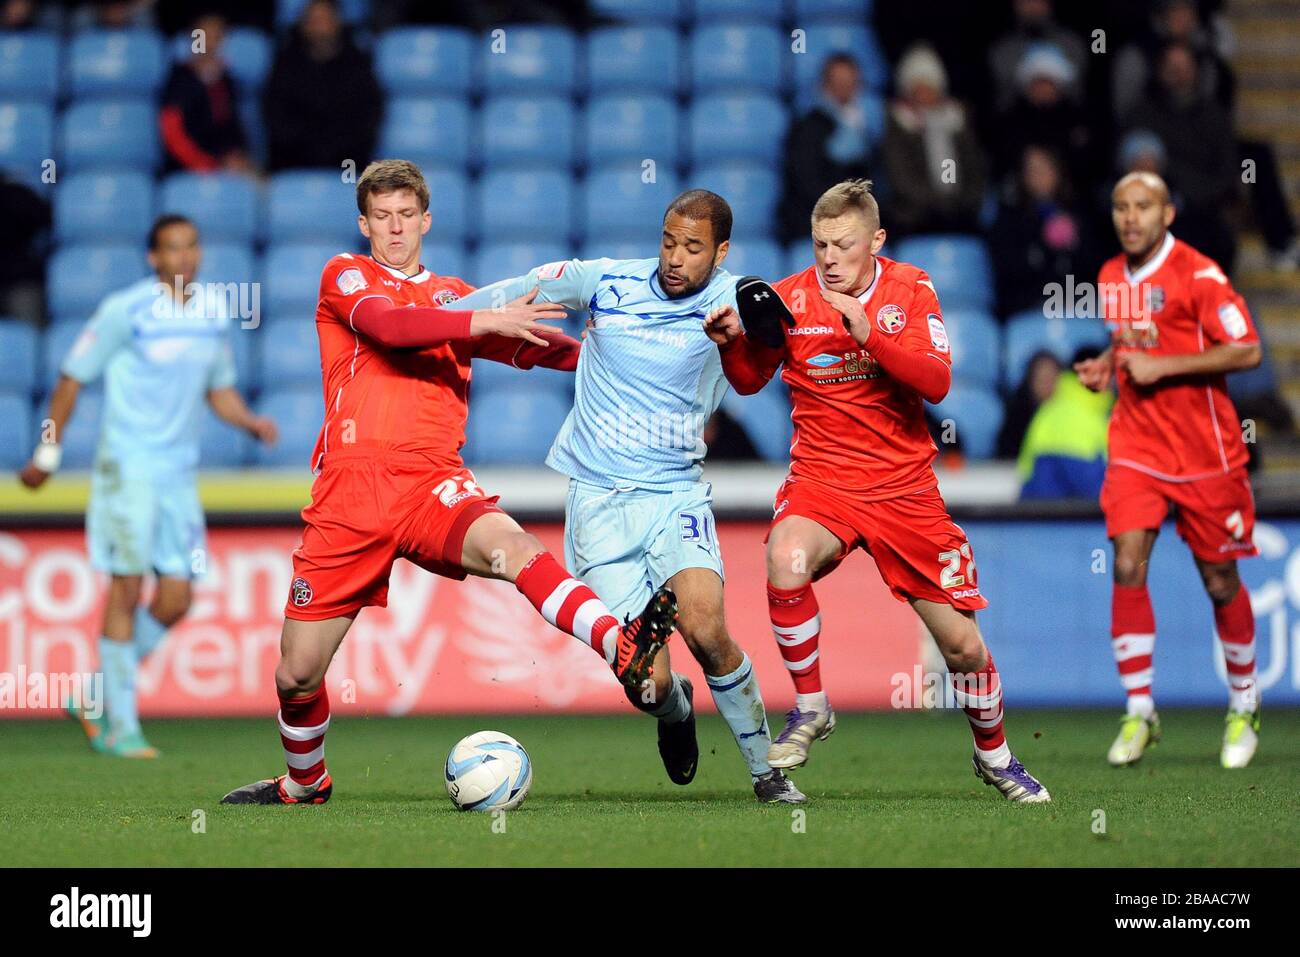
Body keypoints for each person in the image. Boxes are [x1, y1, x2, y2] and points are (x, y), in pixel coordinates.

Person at [220, 160, 679, 805]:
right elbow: (391, 328)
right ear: (364, 223)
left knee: (511, 547)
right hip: (351, 493)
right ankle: (306, 784)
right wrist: (483, 320)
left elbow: (538, 347)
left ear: (426, 220)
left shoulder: (457, 296)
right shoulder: (345, 277)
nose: (395, 227)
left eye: (407, 214)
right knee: (295, 676)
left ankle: (619, 645)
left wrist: (614, 357)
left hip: (432, 480)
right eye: (382, 216)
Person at [449, 191, 806, 805]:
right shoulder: (607, 281)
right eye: (669, 241)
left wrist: (732, 343)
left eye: (693, 248)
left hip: (675, 496)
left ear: (720, 252)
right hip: (598, 503)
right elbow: (525, 287)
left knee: (706, 628)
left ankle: (766, 774)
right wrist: (447, 317)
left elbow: (752, 379)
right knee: (646, 680)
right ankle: (675, 713)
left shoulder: (736, 299)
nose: (675, 257)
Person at [705, 179, 1051, 803]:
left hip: (905, 491)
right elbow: (752, 380)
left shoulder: (911, 289)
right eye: (820, 245)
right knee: (784, 557)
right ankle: (811, 707)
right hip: (822, 483)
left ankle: (995, 757)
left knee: (963, 647)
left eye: (843, 245)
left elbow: (938, 382)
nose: (829, 258)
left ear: (876, 241)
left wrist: (870, 334)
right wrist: (732, 343)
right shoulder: (790, 298)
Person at [20, 215, 277, 757]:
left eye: (191, 246)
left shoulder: (213, 310)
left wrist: (249, 421)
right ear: (153, 258)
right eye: (171, 249)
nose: (183, 257)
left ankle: (93, 693)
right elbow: (71, 377)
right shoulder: (125, 311)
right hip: (127, 468)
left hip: (177, 475)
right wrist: (48, 450)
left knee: (179, 596)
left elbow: (219, 389)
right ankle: (123, 726)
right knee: (127, 586)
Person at [1074, 171, 1263, 769]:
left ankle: (1243, 703)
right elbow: (1133, 341)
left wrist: (1167, 367)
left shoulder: (1201, 276)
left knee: (1219, 582)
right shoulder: (1109, 276)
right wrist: (1110, 364)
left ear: (1168, 214)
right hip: (1136, 446)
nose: (1131, 218)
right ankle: (1139, 710)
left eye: (1144, 207)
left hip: (1205, 453)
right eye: (1121, 207)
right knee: (1128, 561)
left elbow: (1249, 349)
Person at [263, 0, 383, 171]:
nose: (320, 28)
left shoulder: (358, 65)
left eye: (324, 20)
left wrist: (336, 148)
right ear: (303, 26)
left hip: (348, 162)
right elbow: (277, 118)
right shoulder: (284, 65)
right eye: (313, 21)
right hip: (293, 163)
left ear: (337, 22)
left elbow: (367, 118)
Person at [879, 44, 985, 237]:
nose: (923, 95)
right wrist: (938, 203)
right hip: (915, 217)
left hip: (961, 213)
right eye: (917, 89)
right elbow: (901, 177)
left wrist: (961, 201)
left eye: (928, 88)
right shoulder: (899, 124)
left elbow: (974, 169)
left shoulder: (957, 122)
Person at [779, 53, 880, 243]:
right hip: (813, 220)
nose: (844, 87)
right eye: (838, 81)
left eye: (849, 81)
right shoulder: (809, 125)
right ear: (825, 83)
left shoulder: (864, 126)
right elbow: (805, 180)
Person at [990, 144, 1098, 317]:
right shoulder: (1010, 219)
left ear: (1057, 171)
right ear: (1023, 175)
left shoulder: (1079, 212)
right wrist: (1042, 243)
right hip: (1030, 307)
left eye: (1045, 168)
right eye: (1032, 169)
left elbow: (1094, 265)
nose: (1039, 176)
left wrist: (1074, 244)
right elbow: (1007, 271)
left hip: (1077, 304)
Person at [159, 12, 250, 173]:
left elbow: (233, 126)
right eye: (203, 36)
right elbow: (172, 132)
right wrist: (205, 164)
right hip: (187, 168)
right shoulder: (180, 79)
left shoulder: (226, 81)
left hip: (225, 163)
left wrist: (236, 155)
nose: (210, 43)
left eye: (216, 36)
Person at [1016, 347, 1112, 499]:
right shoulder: (1079, 417)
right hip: (1067, 518)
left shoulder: (1051, 410)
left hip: (1037, 517)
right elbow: (1095, 492)